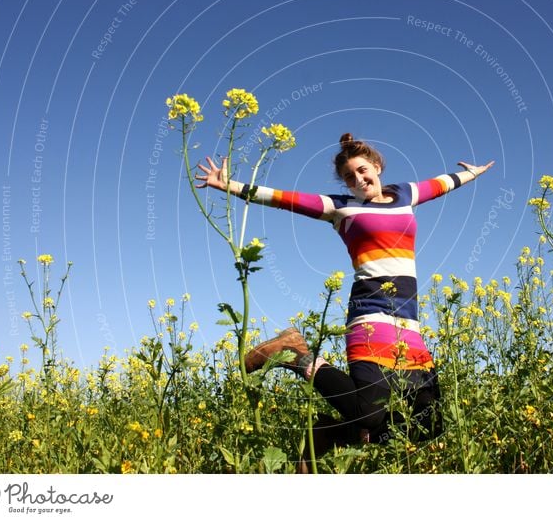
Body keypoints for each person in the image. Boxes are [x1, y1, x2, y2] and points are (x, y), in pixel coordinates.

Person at [195, 133, 494, 464]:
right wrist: (229, 186)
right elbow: (283, 198)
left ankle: (333, 433)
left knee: (431, 421)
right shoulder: (341, 207)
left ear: (377, 167)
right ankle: (297, 353)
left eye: (363, 170)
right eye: (350, 177)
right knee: (369, 413)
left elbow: (440, 184)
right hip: (371, 314)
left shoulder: (404, 194)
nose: (359, 179)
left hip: (408, 322)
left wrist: (473, 173)